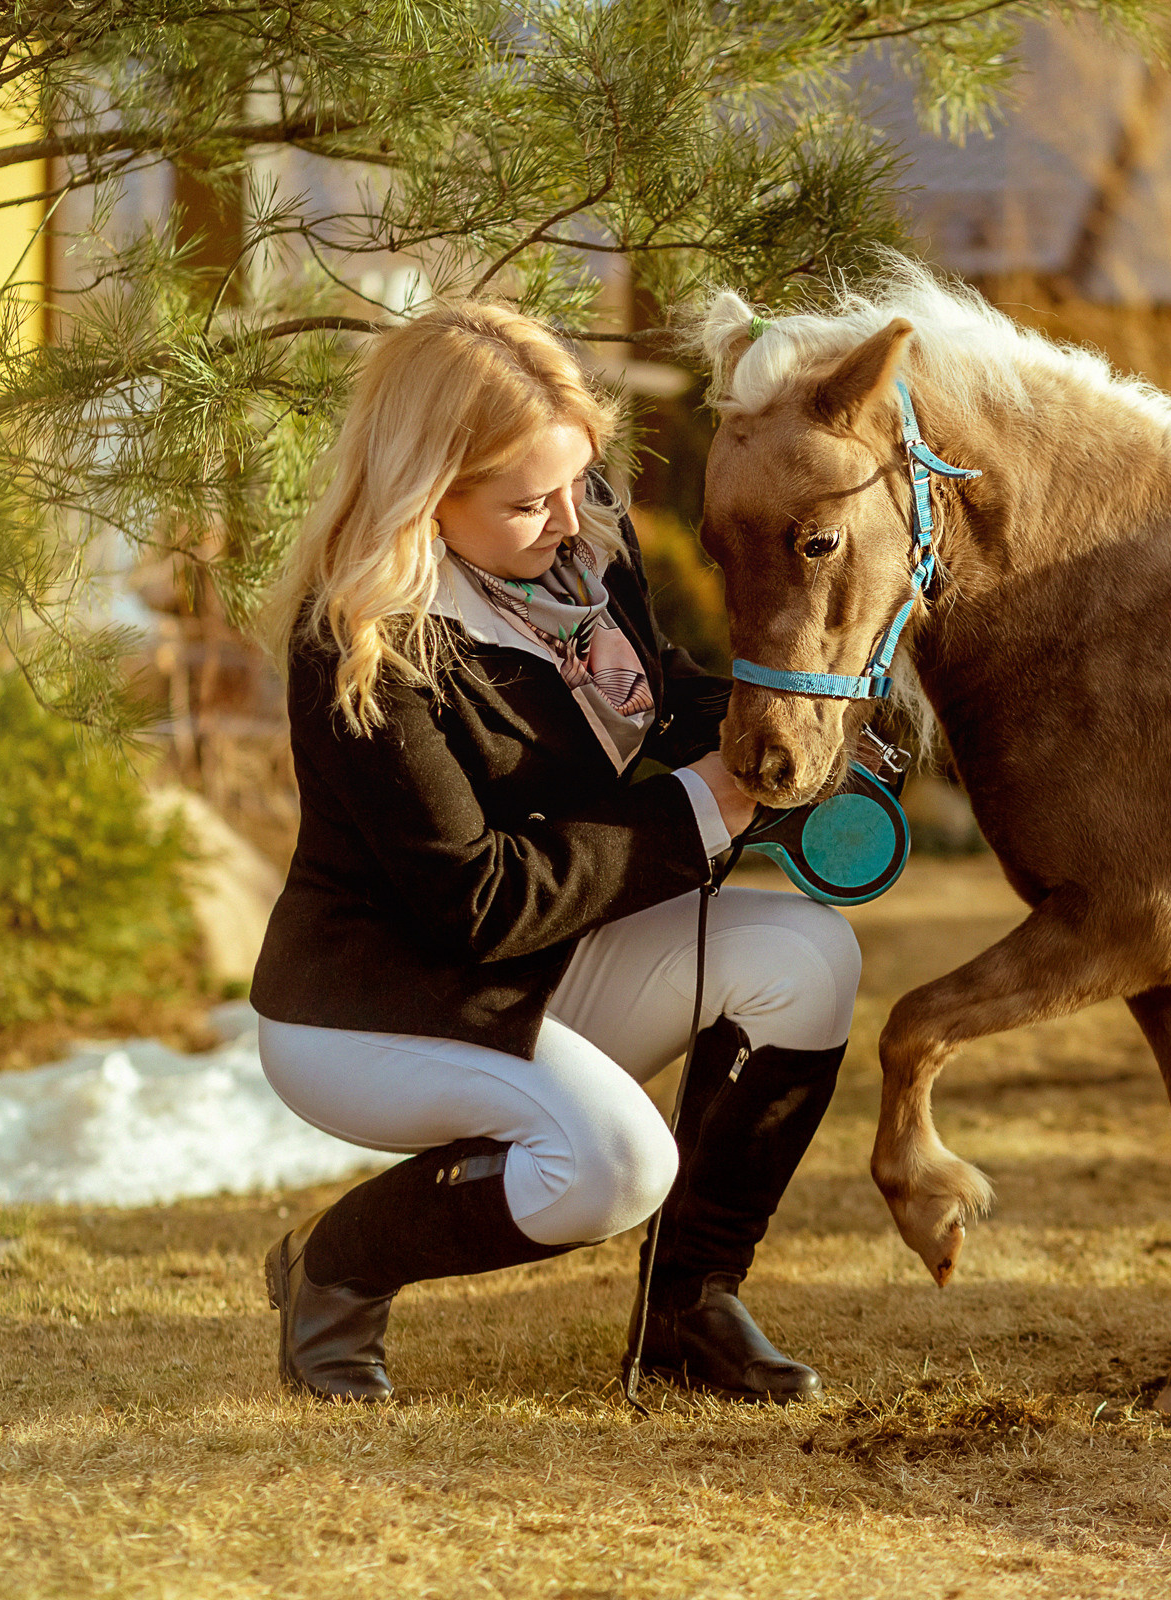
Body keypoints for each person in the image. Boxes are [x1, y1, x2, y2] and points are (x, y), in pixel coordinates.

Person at [246, 301, 860, 1405]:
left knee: (812, 958)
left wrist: (792, 727)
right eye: (530, 500)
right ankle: (332, 1268)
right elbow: (473, 901)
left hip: (543, 962)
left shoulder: (580, 543)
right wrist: (707, 801)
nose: (574, 523)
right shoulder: (358, 644)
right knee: (617, 1165)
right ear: (424, 498)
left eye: (580, 481)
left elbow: (653, 694)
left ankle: (689, 1307)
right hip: (374, 1004)